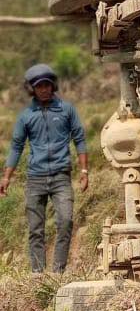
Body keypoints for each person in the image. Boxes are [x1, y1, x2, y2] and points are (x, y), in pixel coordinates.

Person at [0, 64, 89, 273]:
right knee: (35, 229)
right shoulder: (26, 116)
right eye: (39, 86)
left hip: (61, 177)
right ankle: (38, 274)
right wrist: (6, 178)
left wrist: (84, 172)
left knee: (66, 221)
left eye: (47, 85)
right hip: (35, 179)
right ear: (32, 89)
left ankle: (57, 272)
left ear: (53, 85)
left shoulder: (67, 110)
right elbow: (16, 147)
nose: (44, 89)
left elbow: (80, 139)